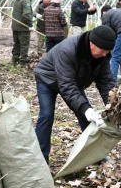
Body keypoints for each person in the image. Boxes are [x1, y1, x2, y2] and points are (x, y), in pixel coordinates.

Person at [34, 25, 116, 164]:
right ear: (92, 43)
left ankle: (96, 155)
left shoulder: (103, 55)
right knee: (46, 115)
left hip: (72, 82)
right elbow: (66, 86)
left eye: (107, 51)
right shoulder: (68, 50)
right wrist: (86, 109)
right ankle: (40, 159)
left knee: (86, 117)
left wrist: (114, 103)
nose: (104, 54)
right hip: (47, 79)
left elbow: (105, 81)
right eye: (102, 50)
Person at [11, 0, 33, 66]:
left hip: (15, 26)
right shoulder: (26, 0)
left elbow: (20, 12)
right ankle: (23, 62)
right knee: (24, 45)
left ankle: (14, 60)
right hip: (23, 27)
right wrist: (30, 25)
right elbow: (26, 15)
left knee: (16, 44)